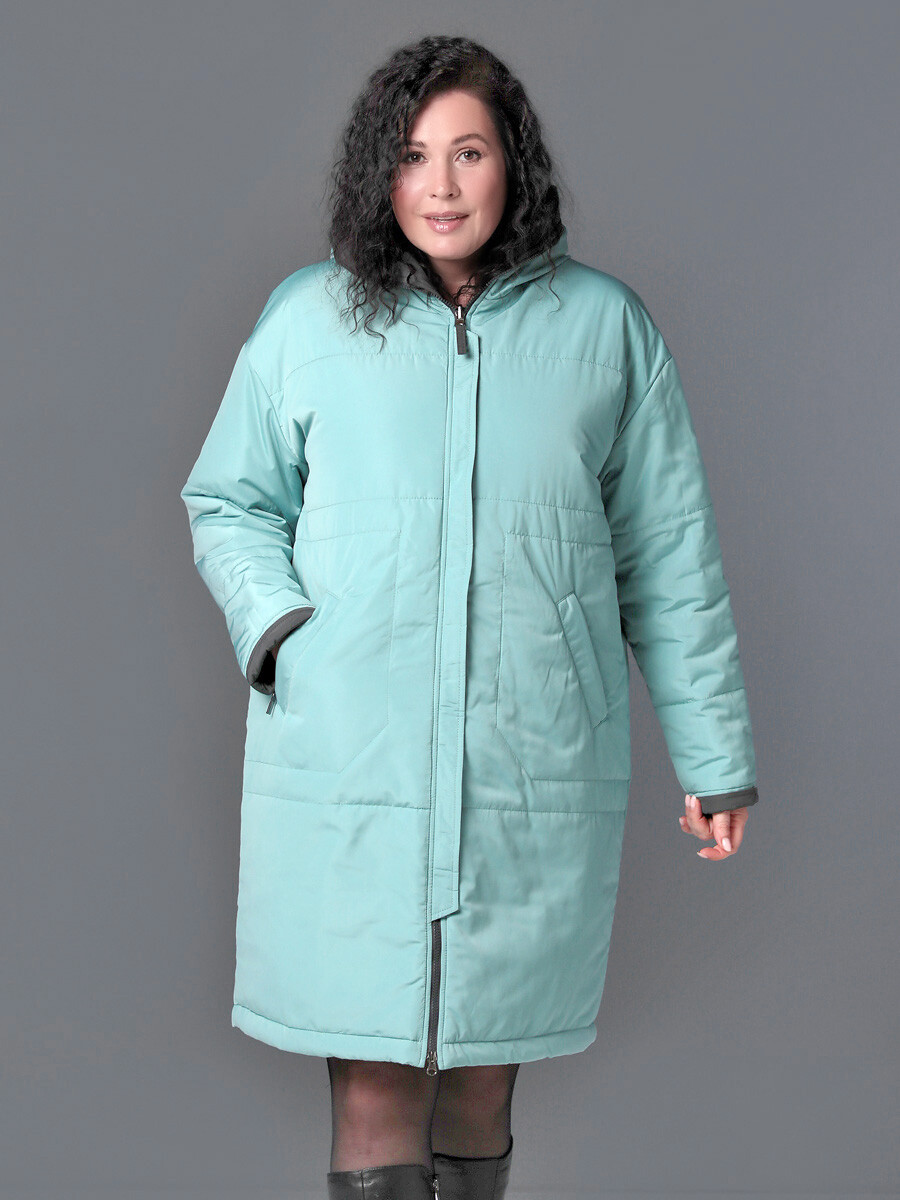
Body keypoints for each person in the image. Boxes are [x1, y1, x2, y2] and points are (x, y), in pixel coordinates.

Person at [181, 34, 759, 1200]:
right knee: (374, 1080)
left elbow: (667, 552)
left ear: (514, 164)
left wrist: (716, 758)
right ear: (378, 172)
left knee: (485, 1079)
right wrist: (285, 633)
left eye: (469, 153)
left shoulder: (606, 330)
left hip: (529, 762)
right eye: (412, 156)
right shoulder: (309, 319)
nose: (440, 186)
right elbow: (229, 501)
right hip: (353, 760)